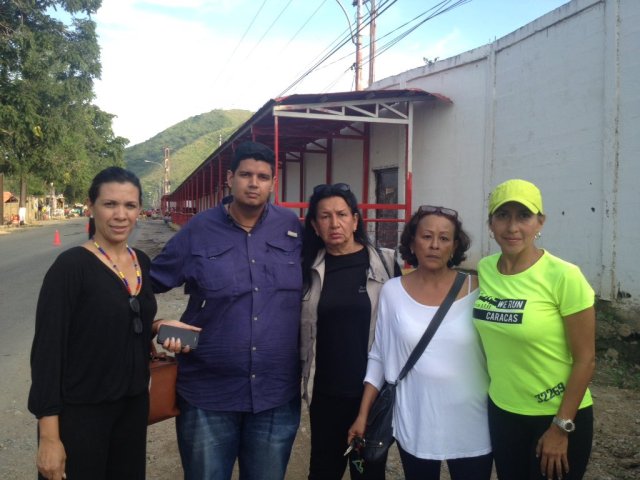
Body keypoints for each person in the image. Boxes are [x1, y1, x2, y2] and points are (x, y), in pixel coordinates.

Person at [150, 141, 303, 480]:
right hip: (207, 396)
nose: (254, 183)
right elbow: (144, 284)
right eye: (246, 174)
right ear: (230, 179)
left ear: (272, 183)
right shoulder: (198, 231)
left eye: (263, 176)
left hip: (275, 397)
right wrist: (158, 325)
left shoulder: (292, 229)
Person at [29, 167, 159, 479]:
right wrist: (49, 437)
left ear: (139, 210)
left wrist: (158, 327)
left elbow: (125, 319)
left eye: (129, 206)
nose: (120, 215)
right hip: (81, 414)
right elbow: (47, 353)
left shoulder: (141, 261)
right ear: (91, 206)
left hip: (132, 409)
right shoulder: (71, 267)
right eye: (109, 204)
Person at [349, 205, 493, 480]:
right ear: (412, 242)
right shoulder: (392, 292)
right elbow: (379, 355)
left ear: (455, 246)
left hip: (473, 422)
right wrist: (363, 414)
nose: (435, 245)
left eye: (444, 238)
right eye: (427, 236)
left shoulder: (479, 290)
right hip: (416, 420)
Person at [473, 179, 596, 480]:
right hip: (503, 413)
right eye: (503, 215)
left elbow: (585, 359)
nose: (512, 227)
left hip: (555, 415)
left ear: (541, 221)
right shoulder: (485, 269)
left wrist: (561, 426)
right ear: (490, 223)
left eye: (523, 216)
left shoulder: (565, 276)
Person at [300, 183, 399, 480]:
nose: (335, 223)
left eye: (342, 214)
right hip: (325, 395)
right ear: (315, 226)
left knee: (366, 470)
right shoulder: (307, 268)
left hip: (369, 394)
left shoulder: (386, 264)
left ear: (355, 220)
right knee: (323, 469)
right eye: (325, 217)